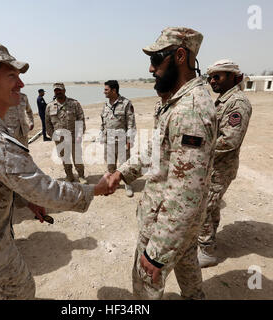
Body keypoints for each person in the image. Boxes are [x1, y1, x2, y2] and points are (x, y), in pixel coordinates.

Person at [0, 42, 114, 300]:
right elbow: (45, 189)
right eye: (12, 76)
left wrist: (25, 199)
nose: (21, 84)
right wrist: (96, 189)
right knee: (22, 292)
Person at [108, 27, 217, 300]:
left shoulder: (190, 110)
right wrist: (123, 172)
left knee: (146, 284)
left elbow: (185, 193)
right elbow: (154, 150)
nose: (150, 68)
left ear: (180, 56)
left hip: (165, 222)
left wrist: (157, 252)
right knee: (187, 266)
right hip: (182, 224)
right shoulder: (175, 102)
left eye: (157, 60)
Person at [197, 59, 253, 268]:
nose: (212, 81)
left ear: (232, 77)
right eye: (210, 77)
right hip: (213, 166)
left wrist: (200, 150)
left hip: (220, 168)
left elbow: (230, 140)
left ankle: (207, 251)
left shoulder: (237, 103)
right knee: (210, 206)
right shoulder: (223, 100)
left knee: (204, 208)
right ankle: (206, 242)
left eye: (217, 76)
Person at [100, 80, 136, 197]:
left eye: (106, 89)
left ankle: (127, 184)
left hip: (122, 141)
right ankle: (112, 183)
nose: (104, 92)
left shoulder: (126, 103)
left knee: (124, 164)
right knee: (110, 164)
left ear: (114, 90)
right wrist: (102, 136)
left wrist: (130, 139)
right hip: (109, 141)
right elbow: (103, 123)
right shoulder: (106, 105)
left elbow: (131, 123)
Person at [45, 83, 88, 184]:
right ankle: (69, 176)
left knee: (77, 157)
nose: (58, 92)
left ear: (64, 90)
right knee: (65, 158)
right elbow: (47, 122)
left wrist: (79, 135)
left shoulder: (74, 104)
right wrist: (52, 135)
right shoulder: (50, 106)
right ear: (54, 92)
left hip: (74, 136)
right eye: (56, 90)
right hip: (59, 138)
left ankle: (81, 176)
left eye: (60, 90)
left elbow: (80, 119)